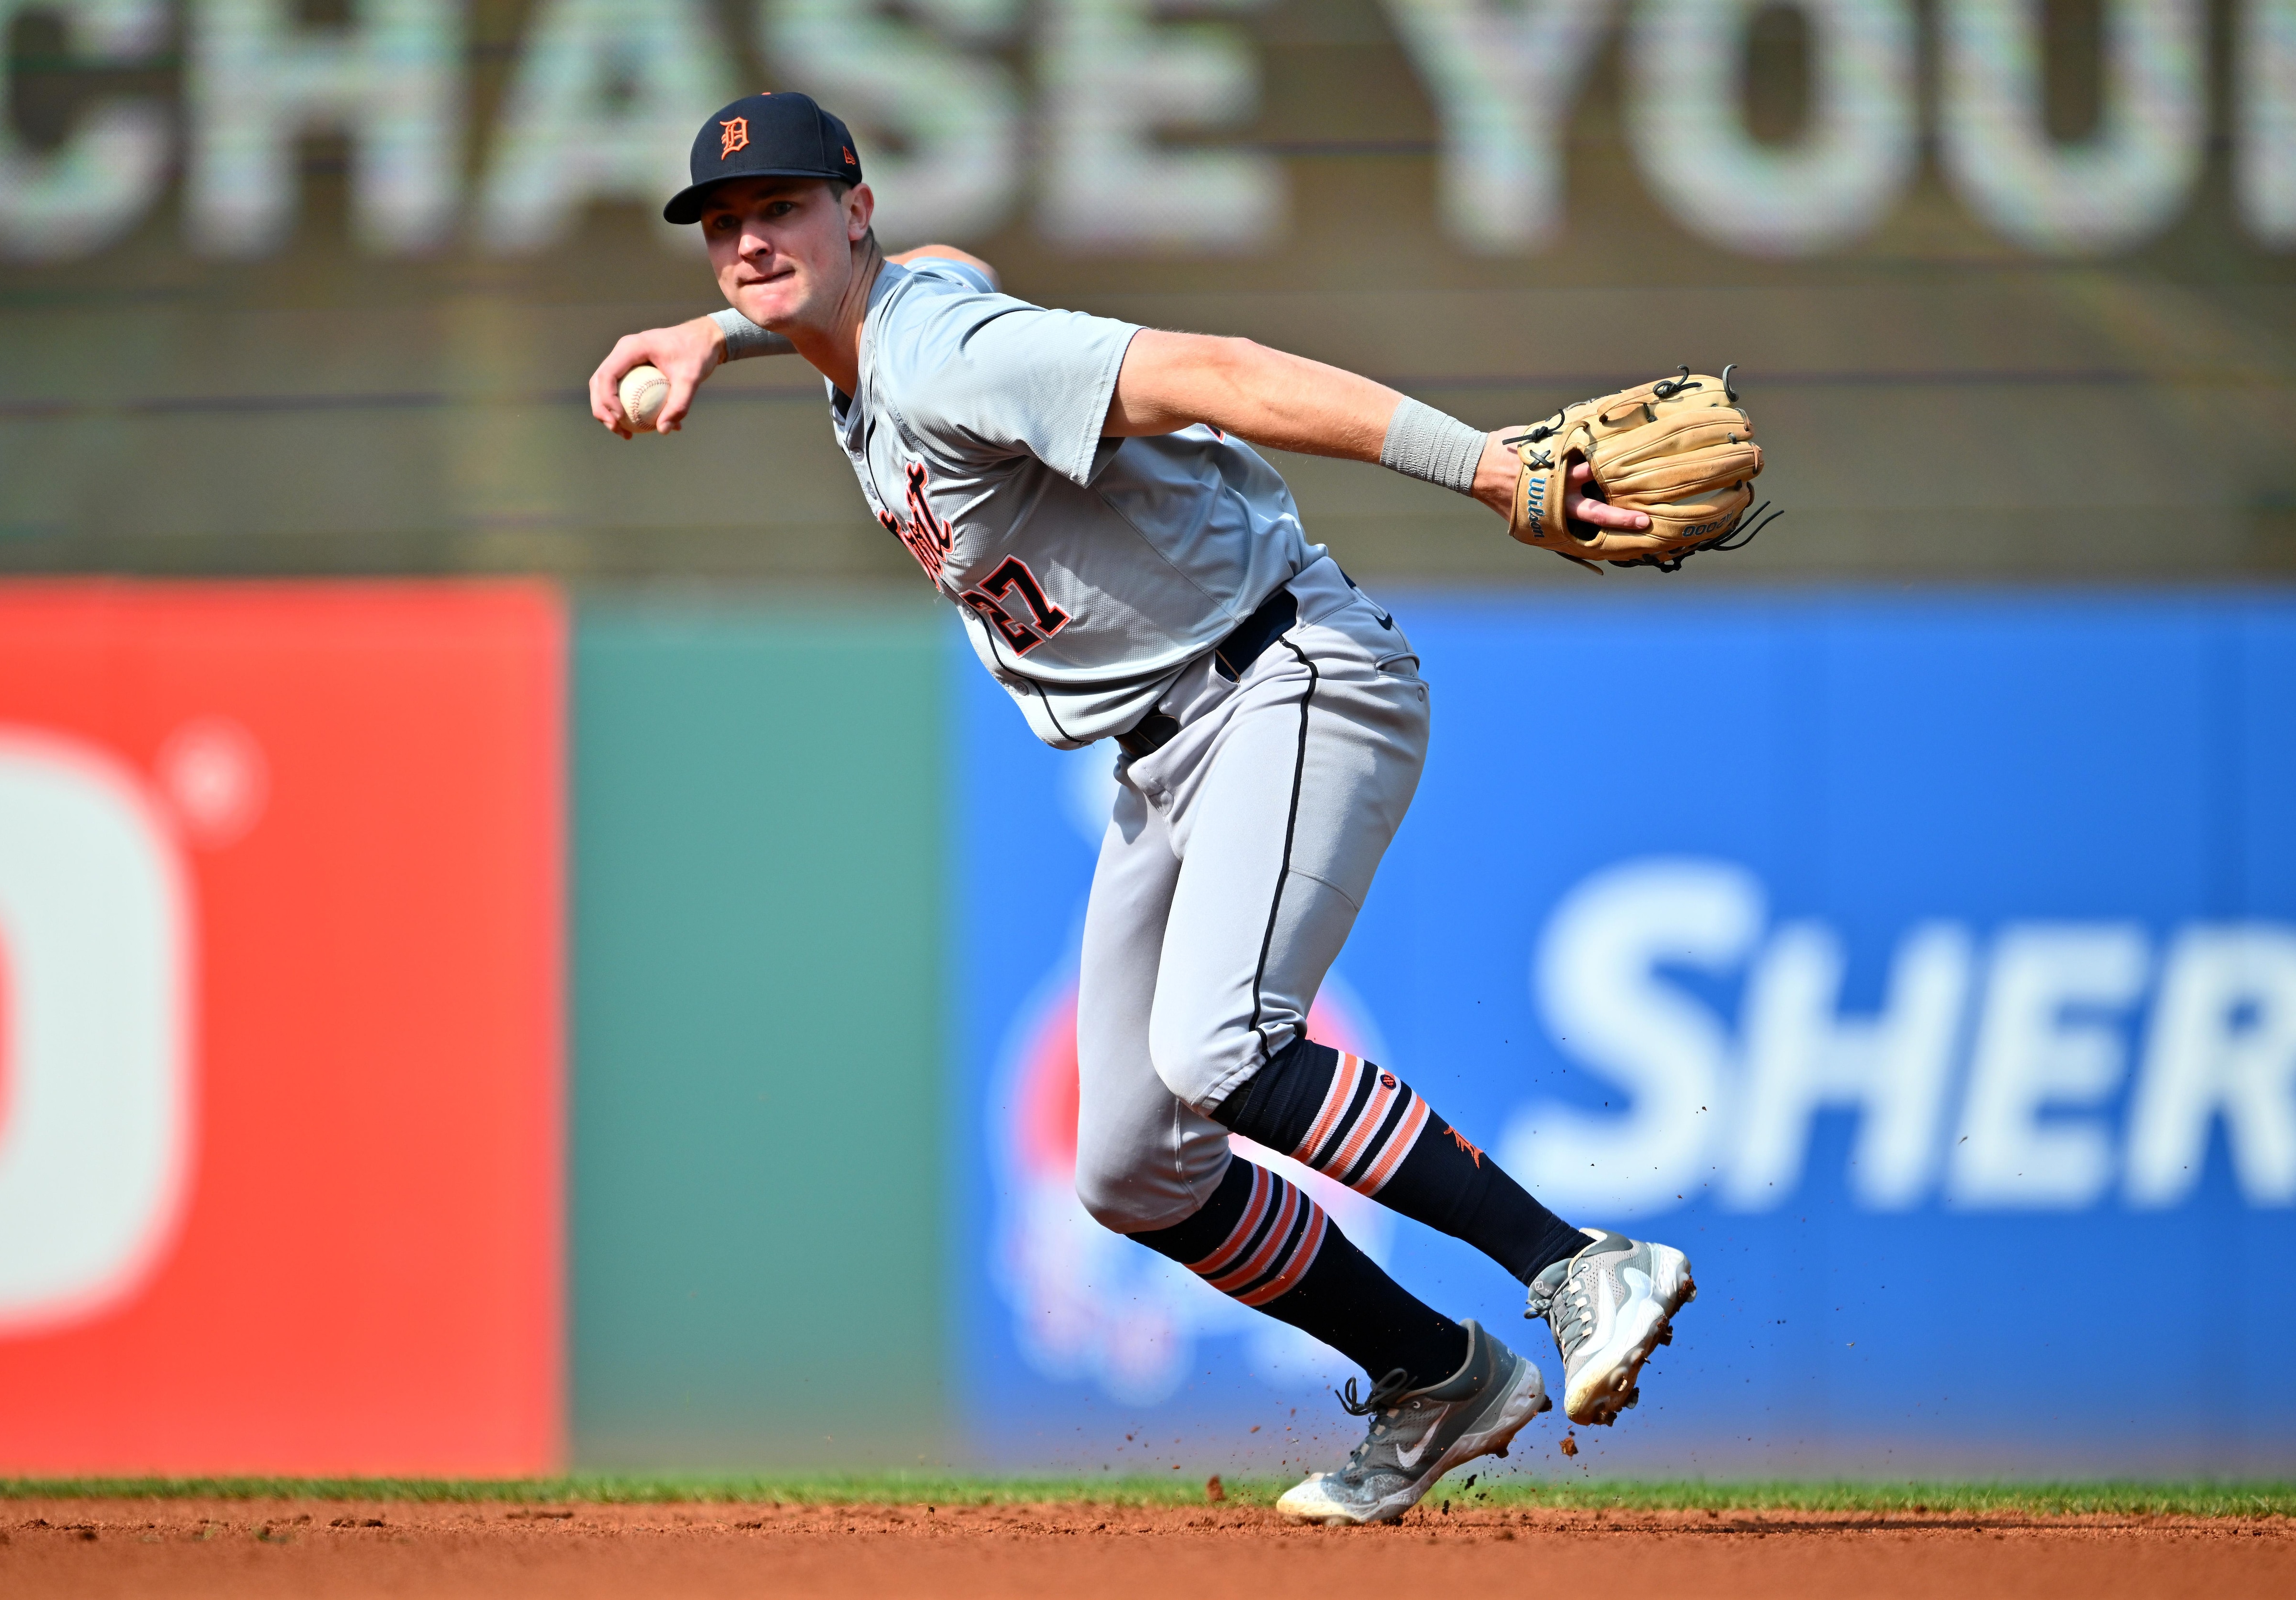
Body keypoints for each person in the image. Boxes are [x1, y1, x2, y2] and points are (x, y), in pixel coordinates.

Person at [590, 91, 1696, 1527]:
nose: (750, 242)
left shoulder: (937, 357)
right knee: (1127, 1163)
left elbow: (1215, 368)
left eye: (782, 209)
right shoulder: (876, 333)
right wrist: (720, 336)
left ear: (850, 209)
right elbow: (958, 259)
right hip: (1168, 752)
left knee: (1224, 1045)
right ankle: (1440, 1378)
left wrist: (1487, 467)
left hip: (1288, 675)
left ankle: (1575, 1264)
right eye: (726, 227)